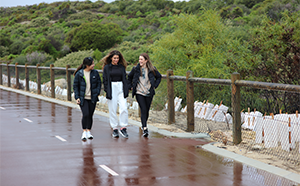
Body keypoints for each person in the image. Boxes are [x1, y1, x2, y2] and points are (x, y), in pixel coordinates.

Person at [128, 53, 161, 137]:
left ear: (146, 60)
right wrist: (131, 86)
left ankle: (144, 124)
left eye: (141, 59)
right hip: (139, 92)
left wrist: (154, 86)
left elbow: (159, 77)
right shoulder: (135, 69)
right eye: (139, 59)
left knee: (146, 110)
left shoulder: (152, 69)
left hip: (149, 92)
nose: (140, 61)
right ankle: (145, 128)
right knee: (143, 109)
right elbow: (129, 77)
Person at [101, 50, 129, 138]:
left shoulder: (122, 67)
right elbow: (105, 79)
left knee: (124, 107)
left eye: (117, 58)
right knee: (112, 109)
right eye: (114, 58)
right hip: (111, 87)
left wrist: (126, 89)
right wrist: (107, 90)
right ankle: (115, 128)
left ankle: (123, 127)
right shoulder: (107, 67)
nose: (116, 60)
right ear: (111, 58)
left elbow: (125, 78)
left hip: (121, 87)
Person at [73, 57, 101, 141]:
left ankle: (89, 131)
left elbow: (99, 83)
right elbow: (75, 86)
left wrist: (97, 93)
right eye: (92, 64)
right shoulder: (80, 74)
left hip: (92, 98)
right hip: (83, 98)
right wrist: (77, 97)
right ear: (87, 65)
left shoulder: (95, 73)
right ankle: (84, 131)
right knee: (85, 114)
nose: (93, 65)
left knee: (90, 115)